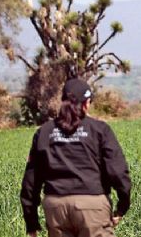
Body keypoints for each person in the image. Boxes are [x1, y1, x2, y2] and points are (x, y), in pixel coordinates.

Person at [20, 78, 132, 237]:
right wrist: (122, 206)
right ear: (86, 103)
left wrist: (31, 223)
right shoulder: (100, 130)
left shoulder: (44, 132)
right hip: (92, 206)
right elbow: (118, 172)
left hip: (55, 208)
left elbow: (30, 182)